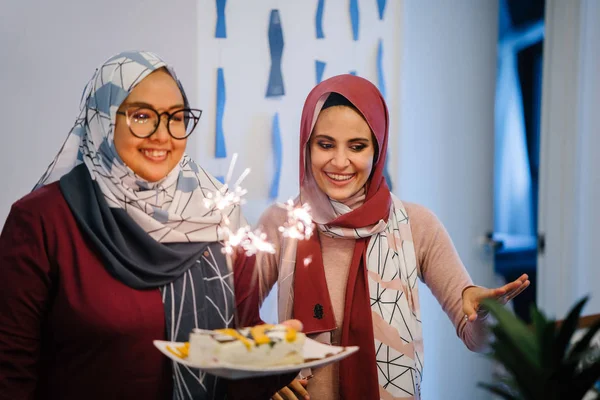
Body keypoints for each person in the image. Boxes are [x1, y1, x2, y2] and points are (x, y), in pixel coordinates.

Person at [0, 51, 294, 400]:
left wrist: (275, 362)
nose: (162, 135)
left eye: (176, 118)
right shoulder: (43, 221)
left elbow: (239, 338)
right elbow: (10, 371)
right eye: (142, 116)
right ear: (103, 119)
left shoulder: (216, 214)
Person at [255, 74, 530, 400]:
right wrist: (265, 368)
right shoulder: (282, 222)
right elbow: (233, 322)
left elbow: (477, 341)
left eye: (357, 146)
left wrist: (484, 317)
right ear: (307, 145)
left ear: (378, 149)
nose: (340, 161)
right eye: (325, 144)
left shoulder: (416, 224)